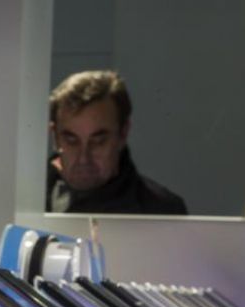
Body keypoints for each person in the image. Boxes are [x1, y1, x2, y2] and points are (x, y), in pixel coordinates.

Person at [46, 70, 187, 215]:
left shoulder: (161, 211)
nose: (83, 159)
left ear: (123, 134)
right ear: (54, 136)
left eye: (98, 141)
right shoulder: (31, 197)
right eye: (71, 141)